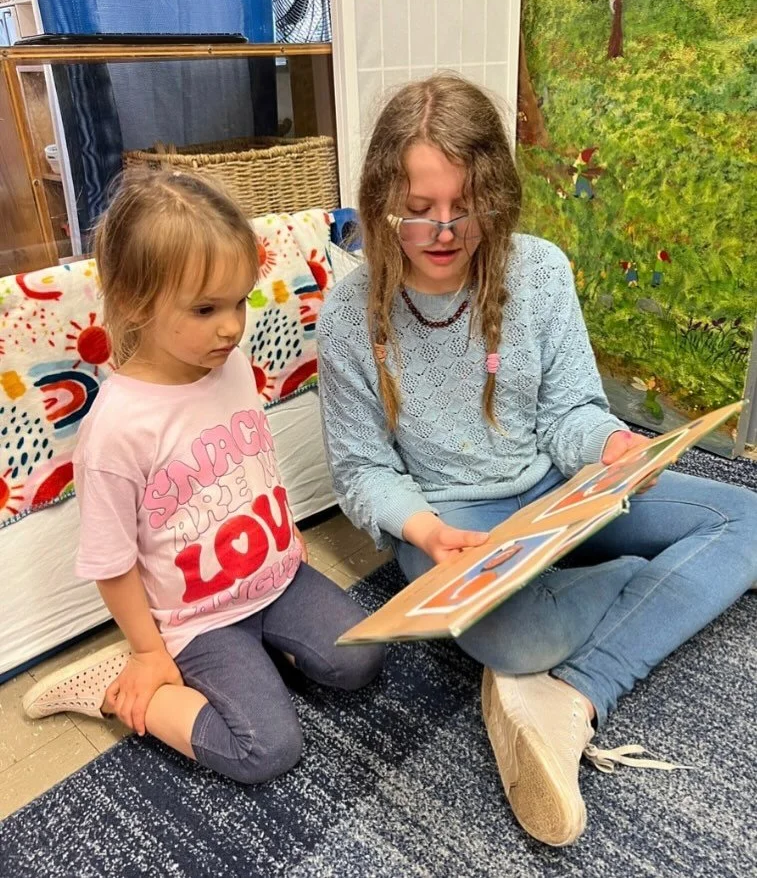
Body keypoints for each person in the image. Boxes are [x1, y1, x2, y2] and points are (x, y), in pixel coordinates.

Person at [315, 73, 757, 846]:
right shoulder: (350, 318)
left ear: (497, 194)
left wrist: (613, 449)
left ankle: (571, 695)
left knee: (745, 519)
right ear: (383, 205)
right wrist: (420, 530)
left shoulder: (540, 270)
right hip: (453, 522)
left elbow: (568, 413)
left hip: (561, 494)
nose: (445, 231)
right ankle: (624, 597)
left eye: (466, 207)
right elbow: (359, 469)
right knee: (512, 638)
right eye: (418, 214)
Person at [23, 171, 384, 784]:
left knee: (364, 660)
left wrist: (286, 537)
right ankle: (118, 687)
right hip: (197, 620)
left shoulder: (233, 366)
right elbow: (111, 562)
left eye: (239, 301)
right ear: (139, 303)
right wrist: (147, 651)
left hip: (278, 577)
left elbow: (249, 467)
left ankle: (259, 661)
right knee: (267, 749)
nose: (231, 326)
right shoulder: (117, 430)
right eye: (205, 308)